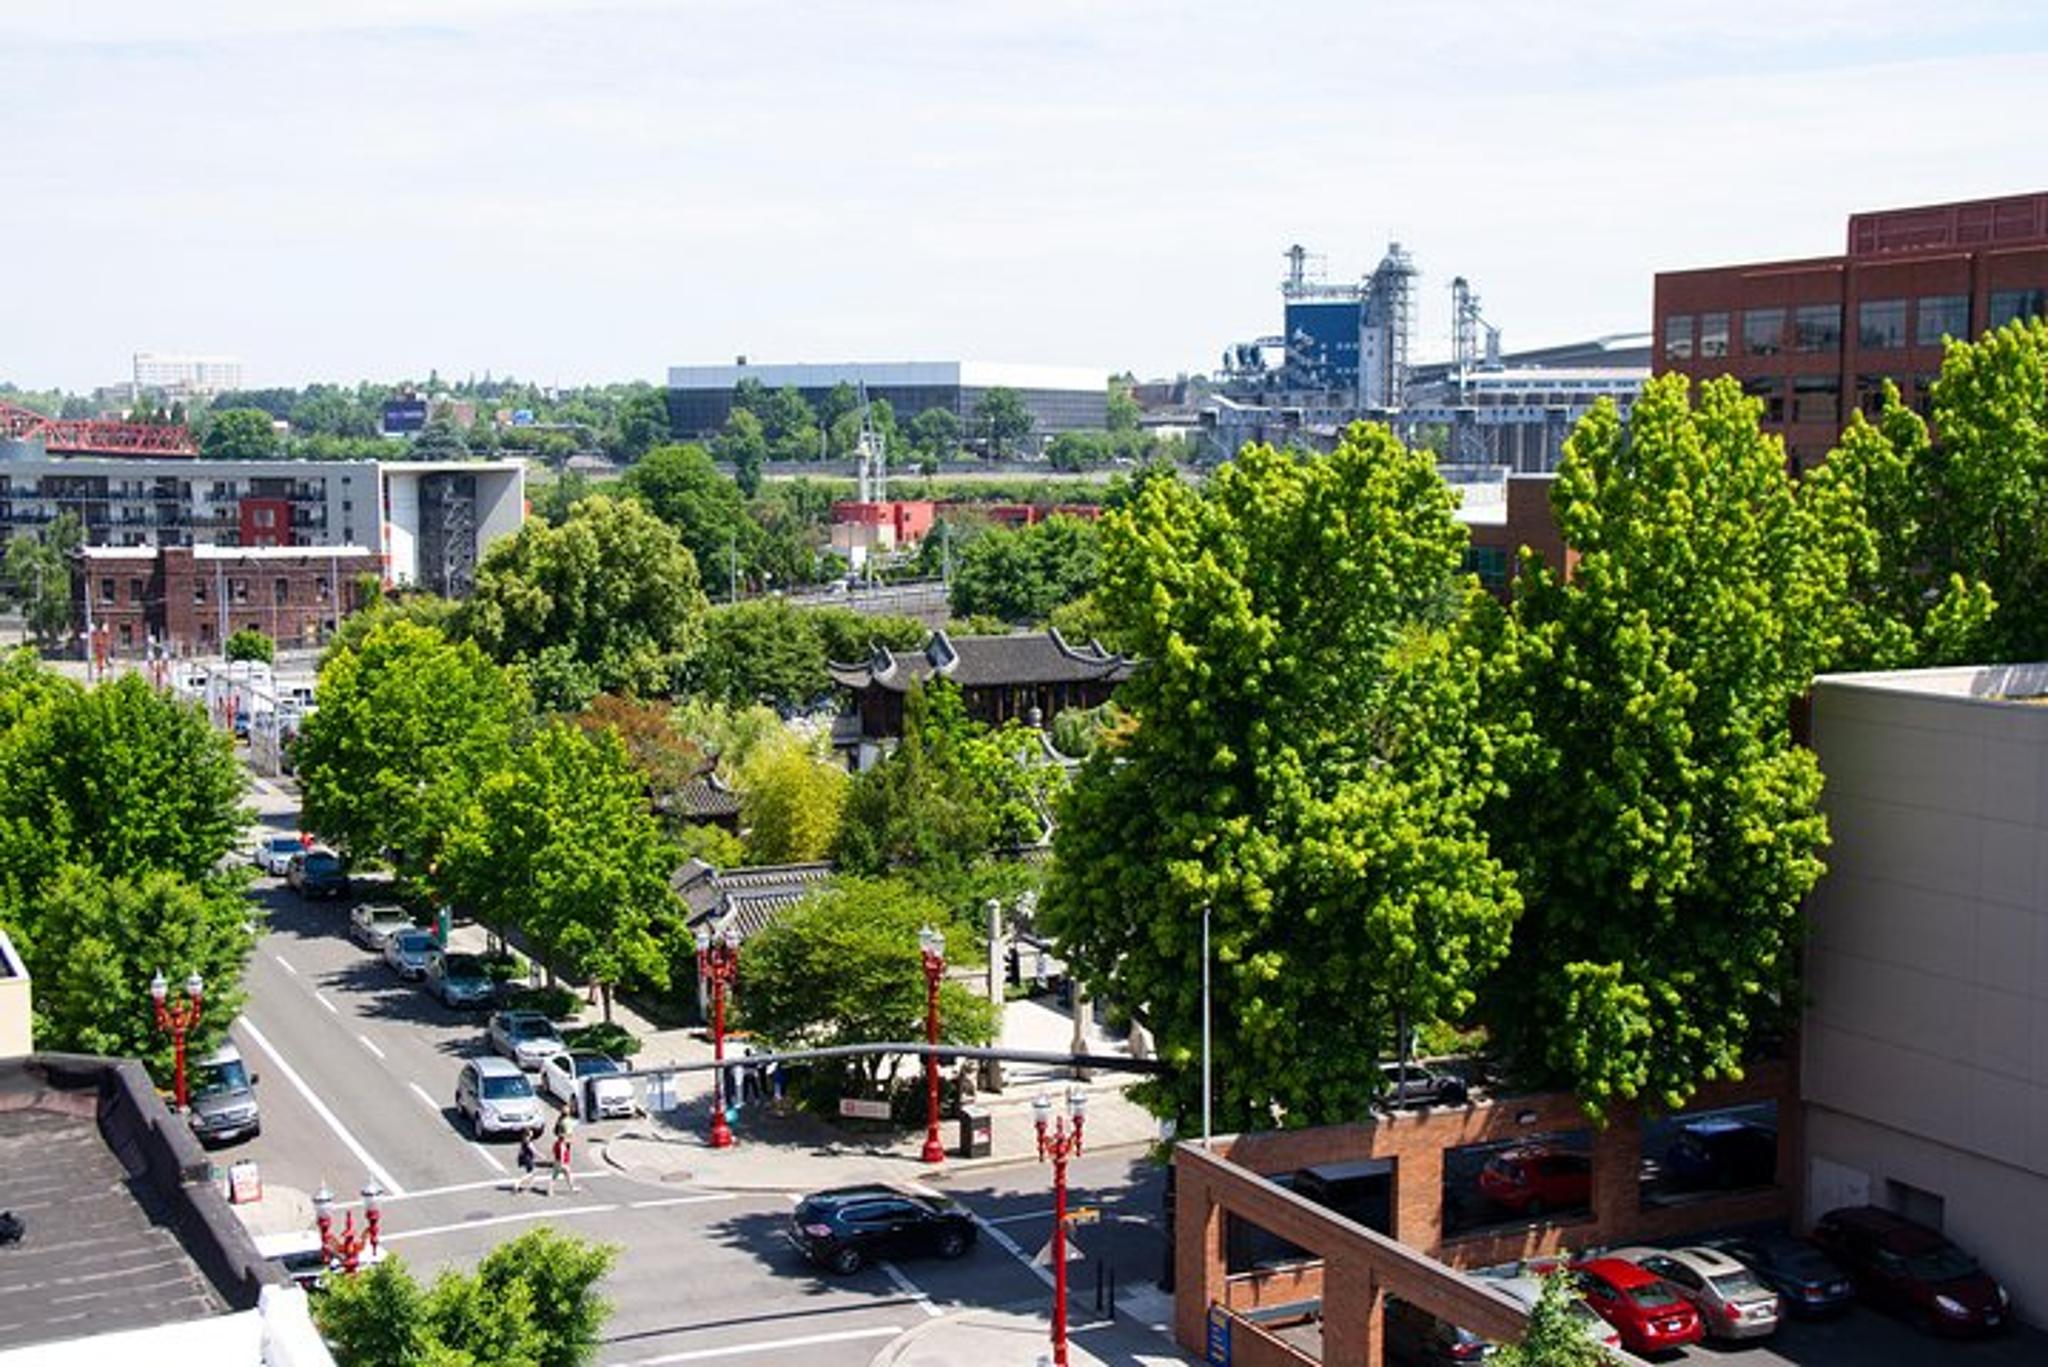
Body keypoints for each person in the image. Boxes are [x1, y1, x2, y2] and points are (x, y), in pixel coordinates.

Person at [549, 1112, 579, 1193]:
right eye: (565, 1138)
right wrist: (563, 1163)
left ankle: (550, 1190)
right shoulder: (562, 1145)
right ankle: (572, 1188)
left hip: (556, 1161)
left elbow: (553, 1151)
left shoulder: (556, 1143)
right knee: (569, 1175)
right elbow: (562, 1154)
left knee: (554, 1177)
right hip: (563, 1163)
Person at [508, 1125, 542, 1194]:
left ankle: (528, 1187)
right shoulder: (528, 1142)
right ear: (528, 1134)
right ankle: (518, 1182)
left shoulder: (524, 1140)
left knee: (531, 1174)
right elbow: (533, 1151)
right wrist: (541, 1156)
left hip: (525, 1158)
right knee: (531, 1173)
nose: (532, 1134)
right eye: (531, 1133)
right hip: (528, 1159)